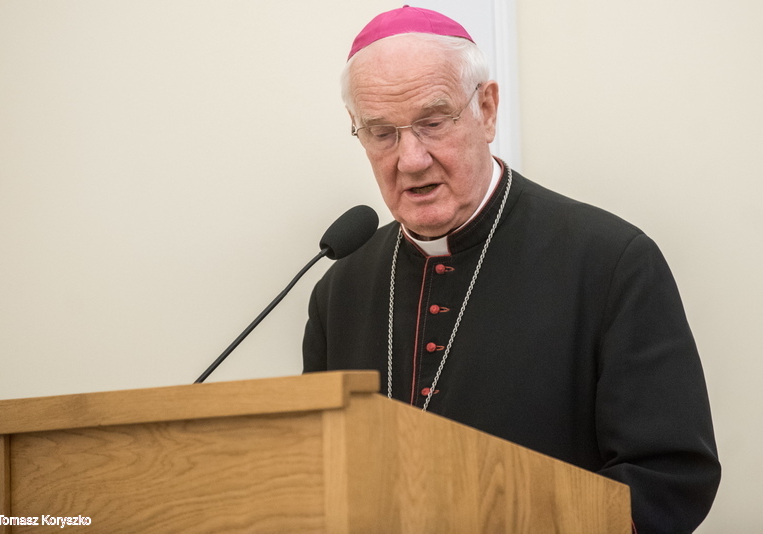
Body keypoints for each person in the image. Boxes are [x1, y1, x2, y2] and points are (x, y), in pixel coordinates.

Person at [302, 6, 720, 533]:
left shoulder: (611, 263)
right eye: (382, 132)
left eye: (433, 122)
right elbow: (317, 471)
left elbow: (669, 477)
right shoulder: (340, 289)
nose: (410, 159)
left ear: (487, 110)